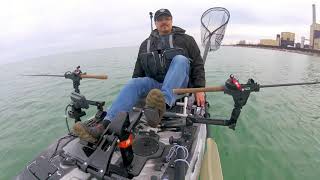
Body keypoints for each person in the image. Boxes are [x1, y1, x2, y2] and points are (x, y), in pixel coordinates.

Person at [73, 9, 206, 143]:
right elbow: (138, 71)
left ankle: (160, 107)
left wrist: (200, 88)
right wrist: (134, 93)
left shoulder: (187, 40)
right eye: (160, 19)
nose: (164, 22)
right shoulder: (145, 45)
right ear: (155, 23)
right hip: (156, 86)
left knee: (180, 59)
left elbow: (198, 64)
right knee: (135, 83)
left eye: (167, 18)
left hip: (179, 86)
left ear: (172, 20)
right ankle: (103, 126)